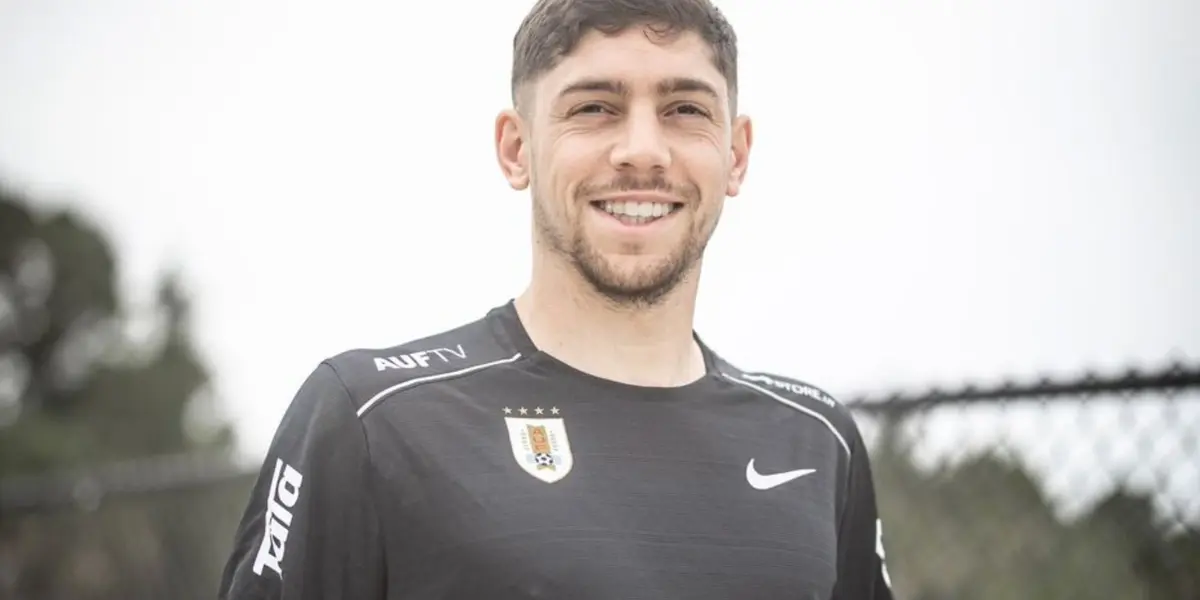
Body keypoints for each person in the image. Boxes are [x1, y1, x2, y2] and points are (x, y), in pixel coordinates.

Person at [218, 0, 895, 597]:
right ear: (517, 149)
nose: (641, 151)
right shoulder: (372, 419)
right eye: (595, 108)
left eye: (684, 109)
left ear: (736, 154)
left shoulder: (818, 442)